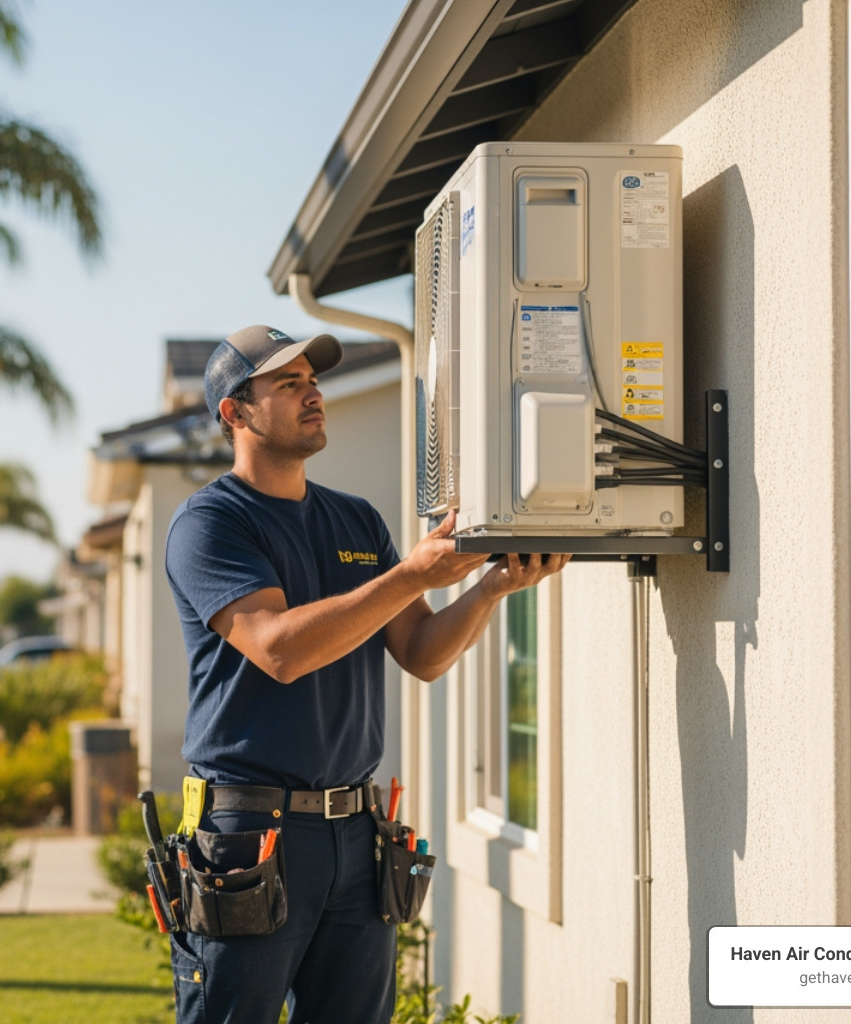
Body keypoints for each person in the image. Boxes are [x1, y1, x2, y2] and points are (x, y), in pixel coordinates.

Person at [163, 324, 570, 1024]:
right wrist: (410, 574)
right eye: (286, 384)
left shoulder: (355, 521)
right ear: (235, 413)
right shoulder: (210, 524)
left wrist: (488, 589)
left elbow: (422, 654)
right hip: (247, 836)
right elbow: (279, 649)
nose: (312, 394)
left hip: (355, 834)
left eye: (312, 380)